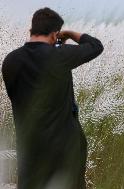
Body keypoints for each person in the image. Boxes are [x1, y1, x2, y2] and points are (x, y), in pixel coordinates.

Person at [1, 7, 104, 189]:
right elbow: (96, 46)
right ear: (55, 34)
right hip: (64, 149)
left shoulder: (10, 61)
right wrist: (70, 34)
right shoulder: (59, 56)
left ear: (31, 30)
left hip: (30, 148)